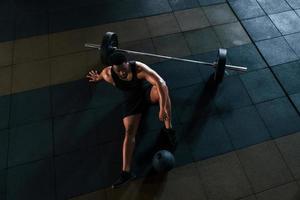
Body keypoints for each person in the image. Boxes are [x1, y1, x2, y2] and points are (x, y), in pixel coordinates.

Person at [86, 51, 176, 188]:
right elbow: (102, 77)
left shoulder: (138, 68)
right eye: (118, 71)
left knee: (164, 92)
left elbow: (161, 83)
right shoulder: (108, 74)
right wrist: (97, 77)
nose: (122, 73)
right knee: (129, 132)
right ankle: (126, 173)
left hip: (147, 93)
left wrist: (162, 108)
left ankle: (168, 128)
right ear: (113, 69)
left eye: (124, 69)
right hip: (131, 101)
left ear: (127, 63)